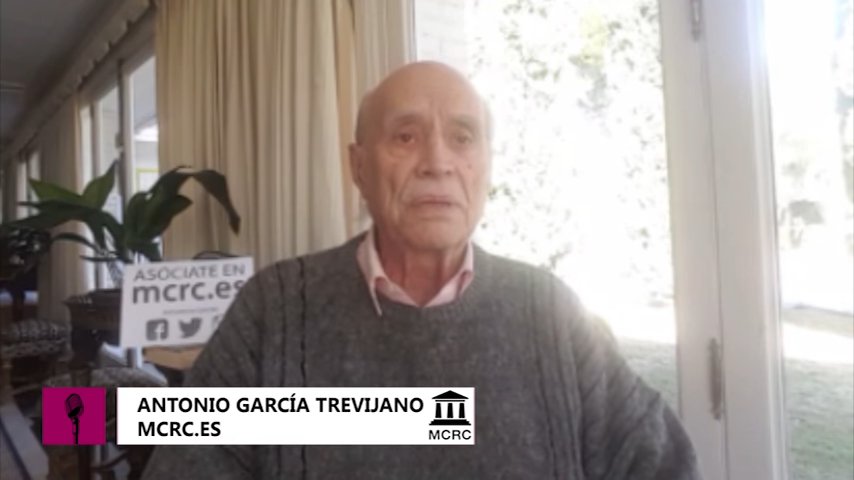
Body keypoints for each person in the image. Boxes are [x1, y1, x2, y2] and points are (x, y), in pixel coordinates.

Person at [143, 61, 699, 479]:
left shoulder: (553, 315)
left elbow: (660, 462)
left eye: (463, 138)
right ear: (359, 166)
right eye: (406, 137)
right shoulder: (275, 310)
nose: (437, 162)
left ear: (484, 165)